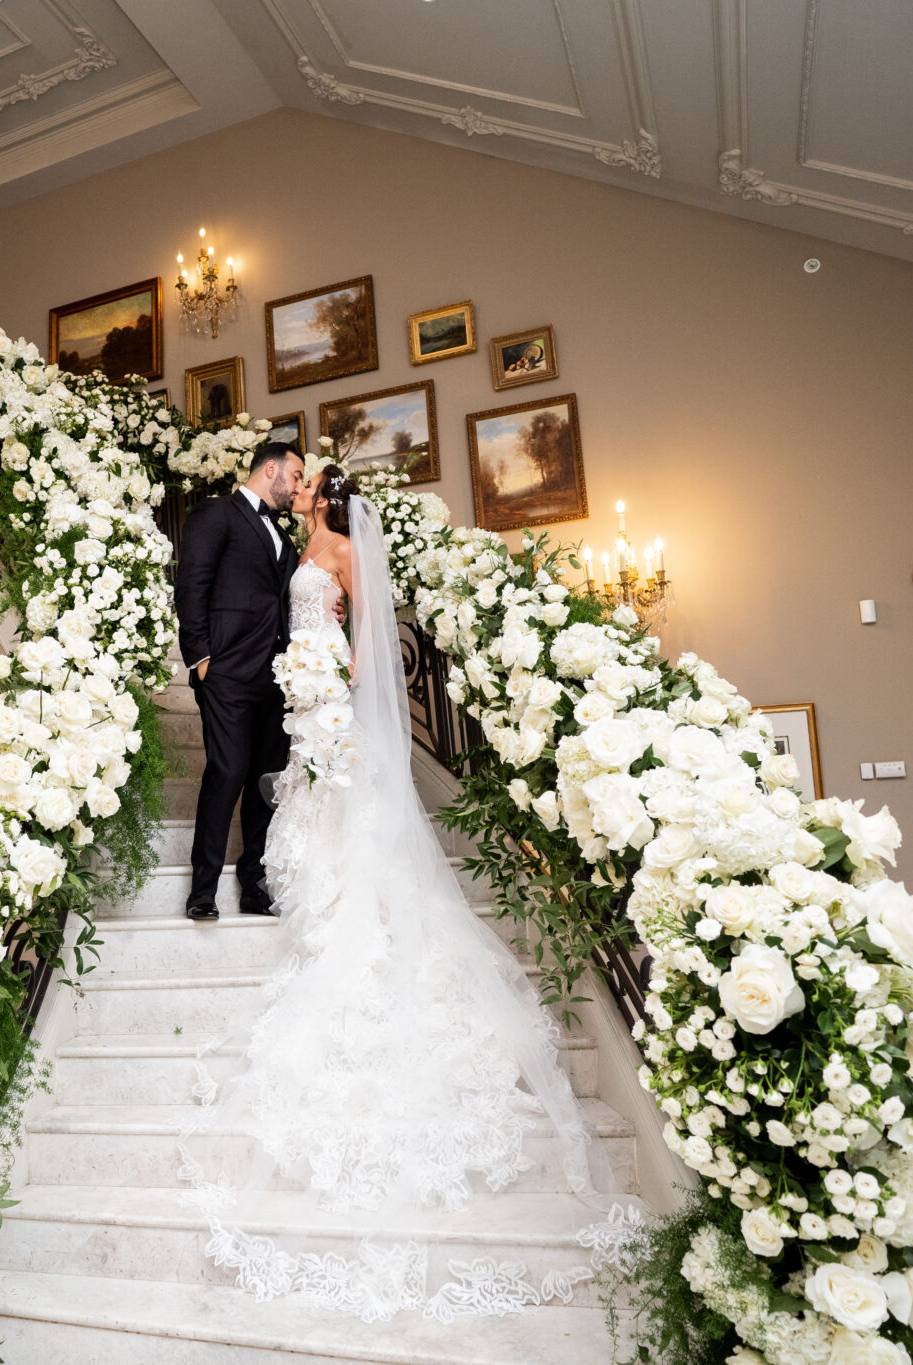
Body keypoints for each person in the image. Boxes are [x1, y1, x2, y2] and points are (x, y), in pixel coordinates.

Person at [179, 464, 627, 1322]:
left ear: (329, 499)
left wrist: (339, 682)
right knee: (305, 798)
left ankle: (355, 903)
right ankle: (292, 884)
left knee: (344, 804)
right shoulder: (287, 540)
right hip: (292, 693)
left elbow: (371, 639)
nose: (298, 487)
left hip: (326, 696)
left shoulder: (341, 549)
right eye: (294, 479)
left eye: (309, 483)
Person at [173, 441, 304, 920]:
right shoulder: (216, 514)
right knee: (226, 771)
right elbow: (192, 584)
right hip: (226, 670)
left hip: (275, 675)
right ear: (270, 469)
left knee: (264, 781)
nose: (297, 487)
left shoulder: (283, 536)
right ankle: (202, 892)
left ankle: (254, 887)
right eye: (295, 476)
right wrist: (201, 656)